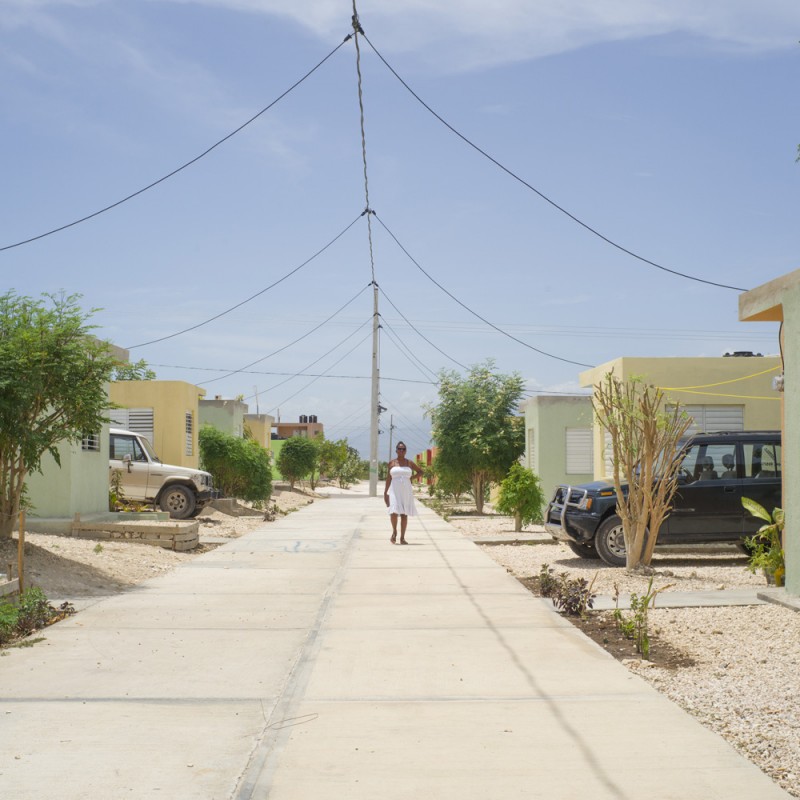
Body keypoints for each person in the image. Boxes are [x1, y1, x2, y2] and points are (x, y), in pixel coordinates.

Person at [383, 442, 424, 544]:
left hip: (406, 491)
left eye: (403, 449)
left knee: (404, 514)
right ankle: (394, 531)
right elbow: (388, 478)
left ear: (406, 451)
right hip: (394, 491)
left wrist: (411, 478)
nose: (401, 450)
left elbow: (421, 472)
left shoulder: (409, 463)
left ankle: (402, 538)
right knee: (393, 512)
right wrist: (385, 493)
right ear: (396, 450)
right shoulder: (392, 463)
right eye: (399, 449)